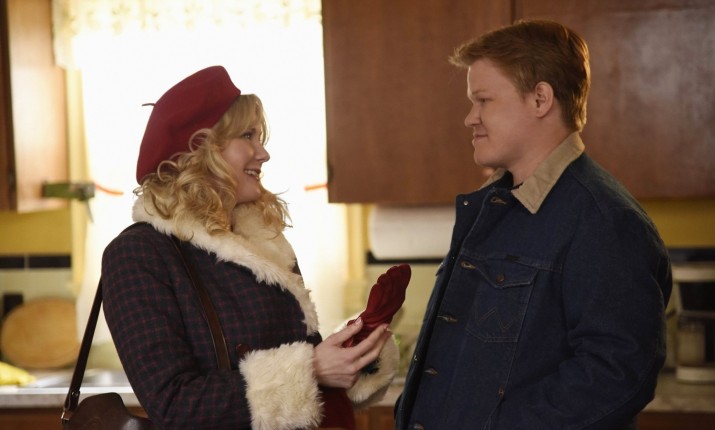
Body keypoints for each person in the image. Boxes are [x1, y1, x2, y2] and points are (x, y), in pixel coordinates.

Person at [394, 19, 672, 430]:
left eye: (483, 100)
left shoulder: (606, 221)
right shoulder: (494, 204)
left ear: (541, 99)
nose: (470, 118)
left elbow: (616, 375)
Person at [101, 66, 399, 429]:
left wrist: (355, 351)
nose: (263, 153)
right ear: (200, 149)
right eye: (248, 136)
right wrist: (311, 368)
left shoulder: (264, 242)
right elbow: (174, 405)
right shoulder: (137, 255)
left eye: (260, 137)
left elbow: (307, 367)